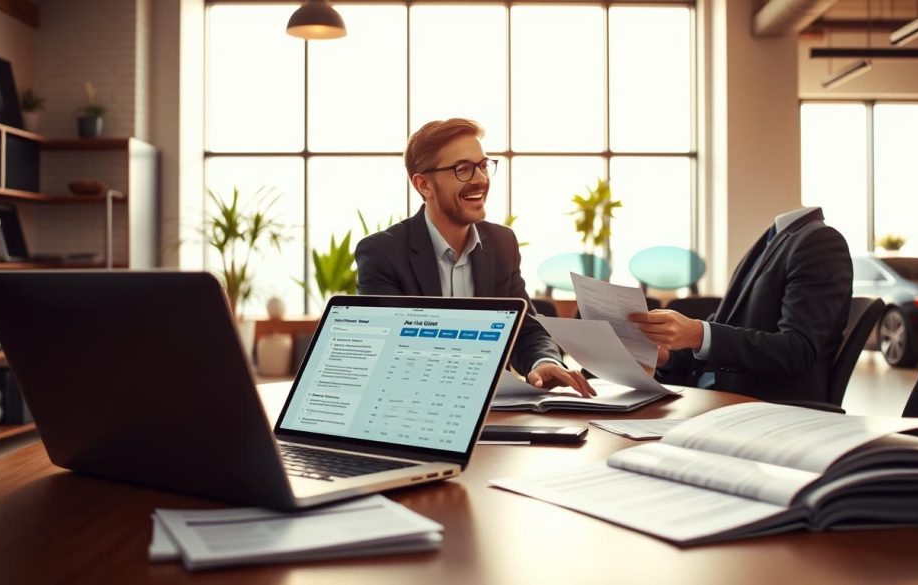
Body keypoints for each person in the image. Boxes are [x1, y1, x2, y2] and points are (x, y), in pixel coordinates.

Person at [355, 118, 594, 397]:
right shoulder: (383, 253)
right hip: (416, 409)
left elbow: (526, 328)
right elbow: (388, 354)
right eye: (463, 169)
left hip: (495, 415)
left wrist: (544, 362)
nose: (480, 179)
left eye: (483, 166)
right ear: (424, 185)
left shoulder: (502, 243)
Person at [629, 207, 852, 403]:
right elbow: (725, 328)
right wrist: (667, 356)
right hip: (719, 399)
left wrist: (697, 333)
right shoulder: (772, 241)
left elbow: (798, 350)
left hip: (759, 408)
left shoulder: (819, 242)